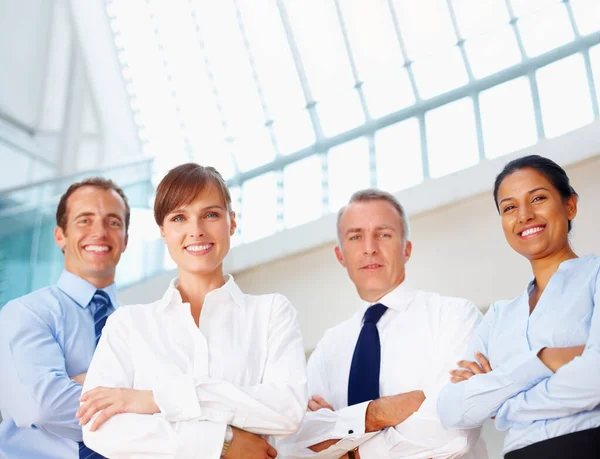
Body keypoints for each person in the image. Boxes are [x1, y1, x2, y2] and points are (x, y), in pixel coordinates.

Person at [77, 163, 307, 458]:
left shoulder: (271, 313)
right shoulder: (127, 325)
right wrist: (222, 441)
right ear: (163, 231)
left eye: (210, 215)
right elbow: (99, 427)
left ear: (232, 222)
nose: (196, 231)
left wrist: (157, 400)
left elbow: (286, 410)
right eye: (179, 218)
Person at [278, 189, 486, 459]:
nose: (369, 248)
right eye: (355, 237)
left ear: (406, 248)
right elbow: (292, 445)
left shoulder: (455, 316)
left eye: (384, 234)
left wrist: (347, 444)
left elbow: (454, 429)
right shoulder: (329, 347)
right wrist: (377, 414)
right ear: (341, 256)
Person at [437, 154, 600, 458]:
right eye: (510, 207)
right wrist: (545, 359)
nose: (524, 215)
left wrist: (505, 404)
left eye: (537, 198)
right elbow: (451, 408)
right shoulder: (498, 316)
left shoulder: (595, 277)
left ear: (570, 205)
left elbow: (595, 377)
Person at [0, 177, 130, 458]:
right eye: (85, 220)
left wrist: (80, 382)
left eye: (113, 222)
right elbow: (42, 406)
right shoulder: (26, 313)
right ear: (60, 235)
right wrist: (138, 396)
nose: (100, 232)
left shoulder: (143, 326)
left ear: (126, 240)